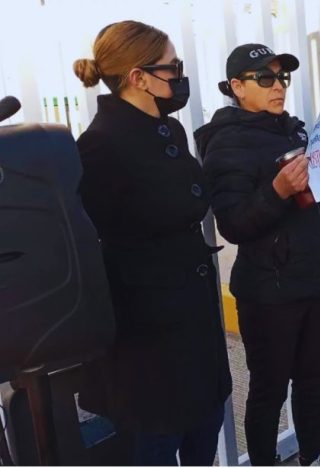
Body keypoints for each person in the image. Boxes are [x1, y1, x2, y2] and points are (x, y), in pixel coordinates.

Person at [73, 20, 231, 466]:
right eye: (172, 66)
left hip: (192, 315)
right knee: (157, 443)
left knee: (206, 426)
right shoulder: (99, 145)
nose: (179, 76)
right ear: (138, 77)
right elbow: (97, 239)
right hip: (147, 331)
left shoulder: (170, 130)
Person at [195, 44, 320, 466]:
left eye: (283, 77)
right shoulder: (226, 142)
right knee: (268, 389)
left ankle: (312, 457)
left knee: (313, 378)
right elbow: (233, 225)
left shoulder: (296, 130)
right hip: (269, 289)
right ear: (237, 87)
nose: (278, 86)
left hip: (315, 277)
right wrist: (278, 191)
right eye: (266, 78)